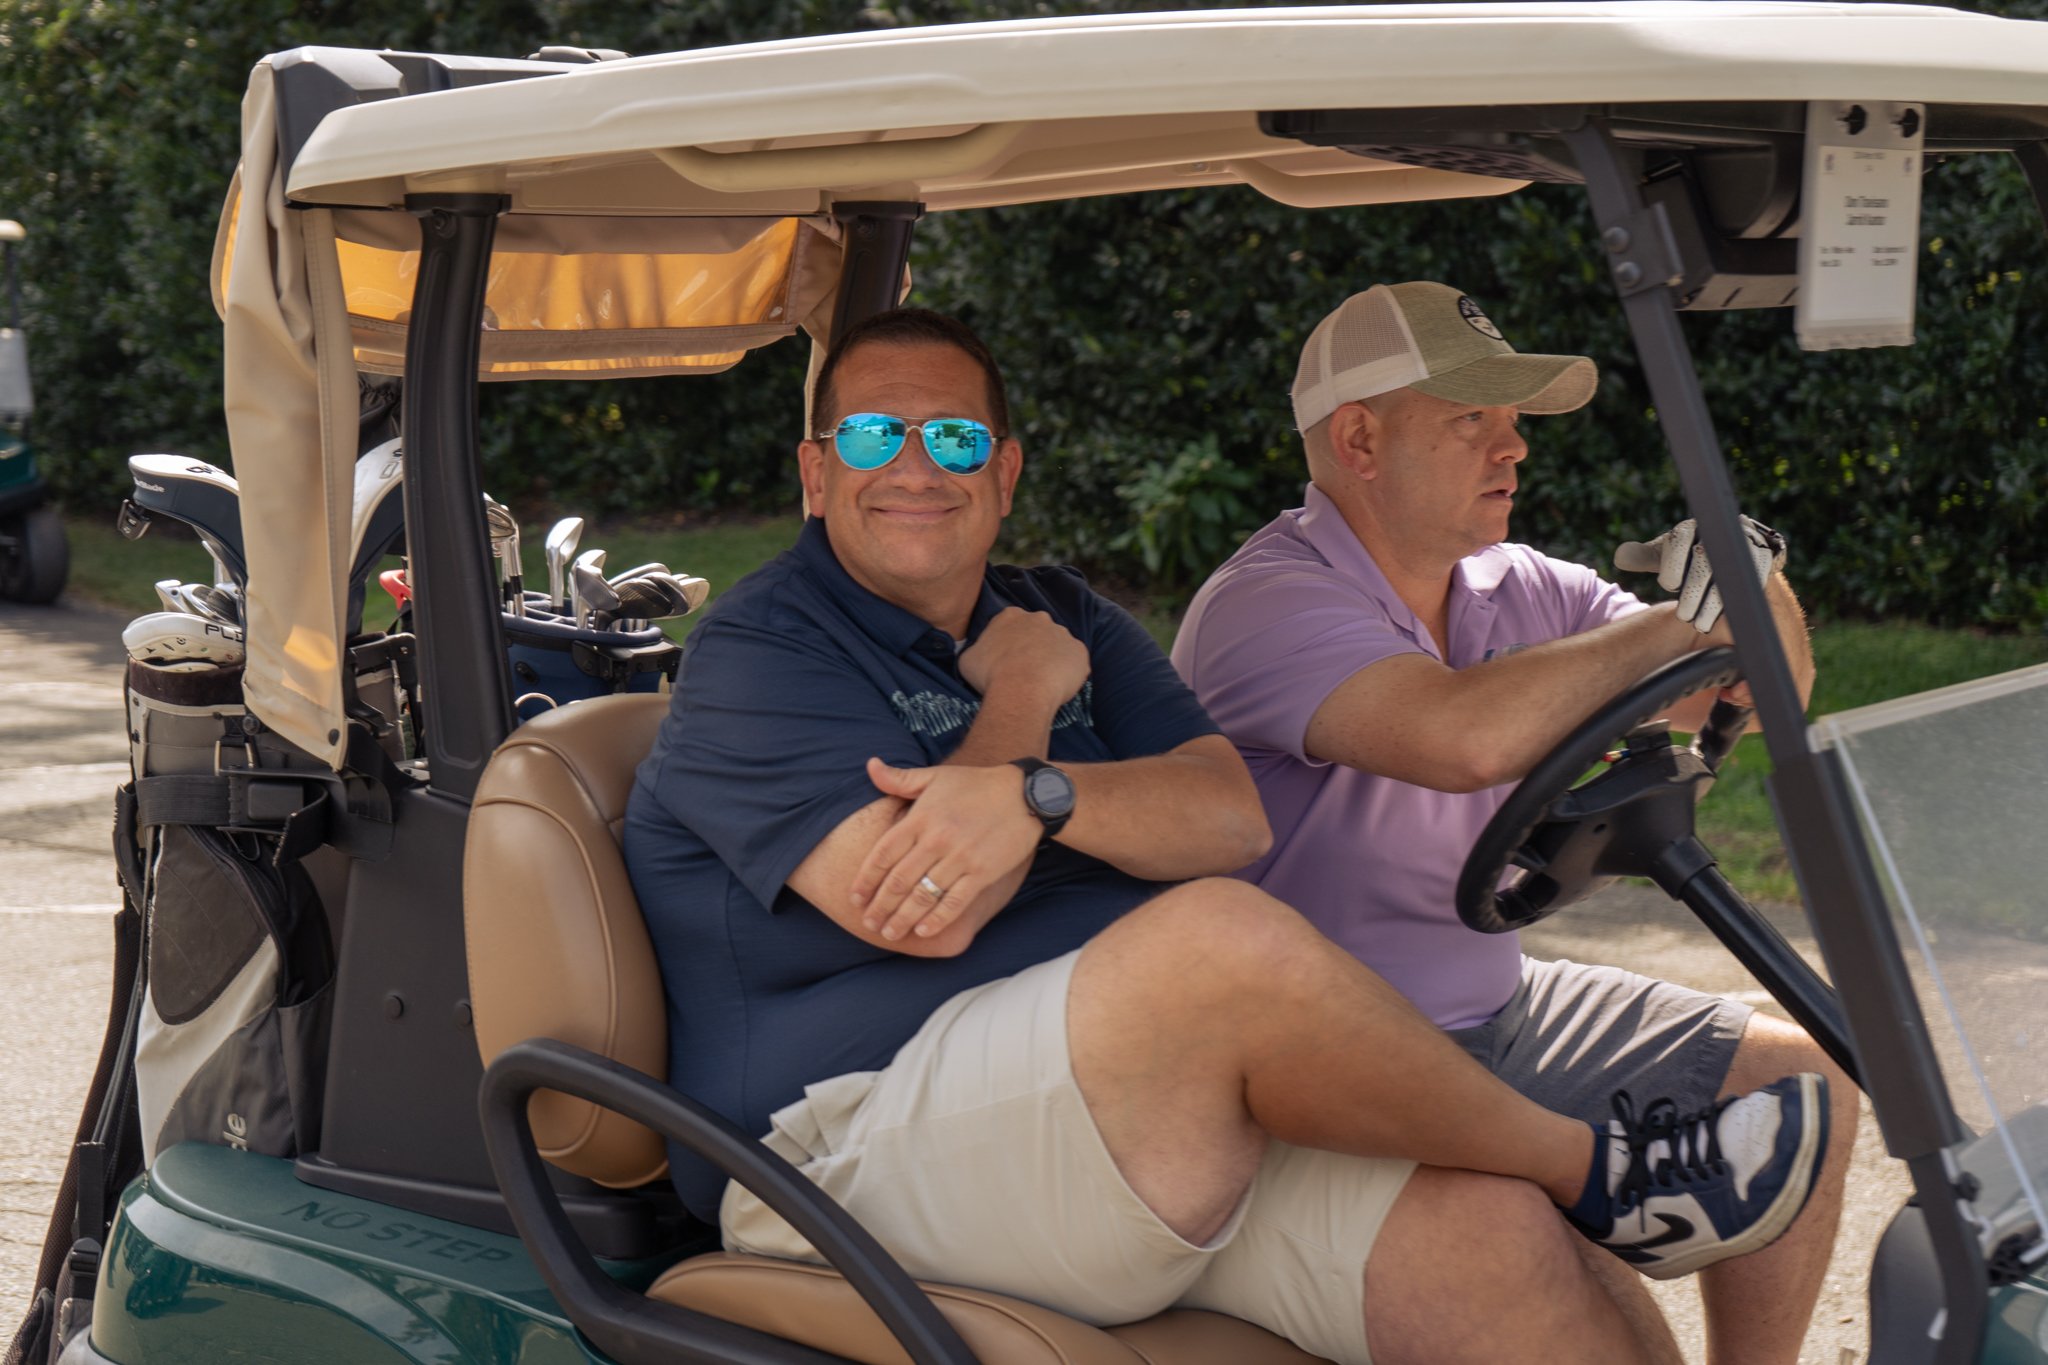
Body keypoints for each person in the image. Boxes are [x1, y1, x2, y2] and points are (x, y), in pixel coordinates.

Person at [623, 306, 1829, 1365]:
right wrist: (1028, 705)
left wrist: (1039, 792)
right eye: (874, 437)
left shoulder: (1059, 612)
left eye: (951, 439)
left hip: (1121, 1097)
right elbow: (926, 903)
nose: (915, 470)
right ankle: (1600, 1172)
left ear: (1002, 472)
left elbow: (1222, 814)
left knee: (1489, 1235)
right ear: (815, 473)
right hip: (851, 1146)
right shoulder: (760, 656)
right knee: (1214, 942)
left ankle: (1576, 1188)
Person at [1171, 282, 1849, 1365]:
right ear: (1357, 439)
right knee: (1603, 1324)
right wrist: (1677, 621)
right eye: (1470, 422)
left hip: (1496, 1011)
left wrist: (1744, 573)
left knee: (1802, 1077)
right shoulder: (1265, 603)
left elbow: (1760, 693)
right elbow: (1460, 738)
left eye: (1513, 422)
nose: (1512, 450)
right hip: (1325, 1074)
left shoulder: (1511, 586)